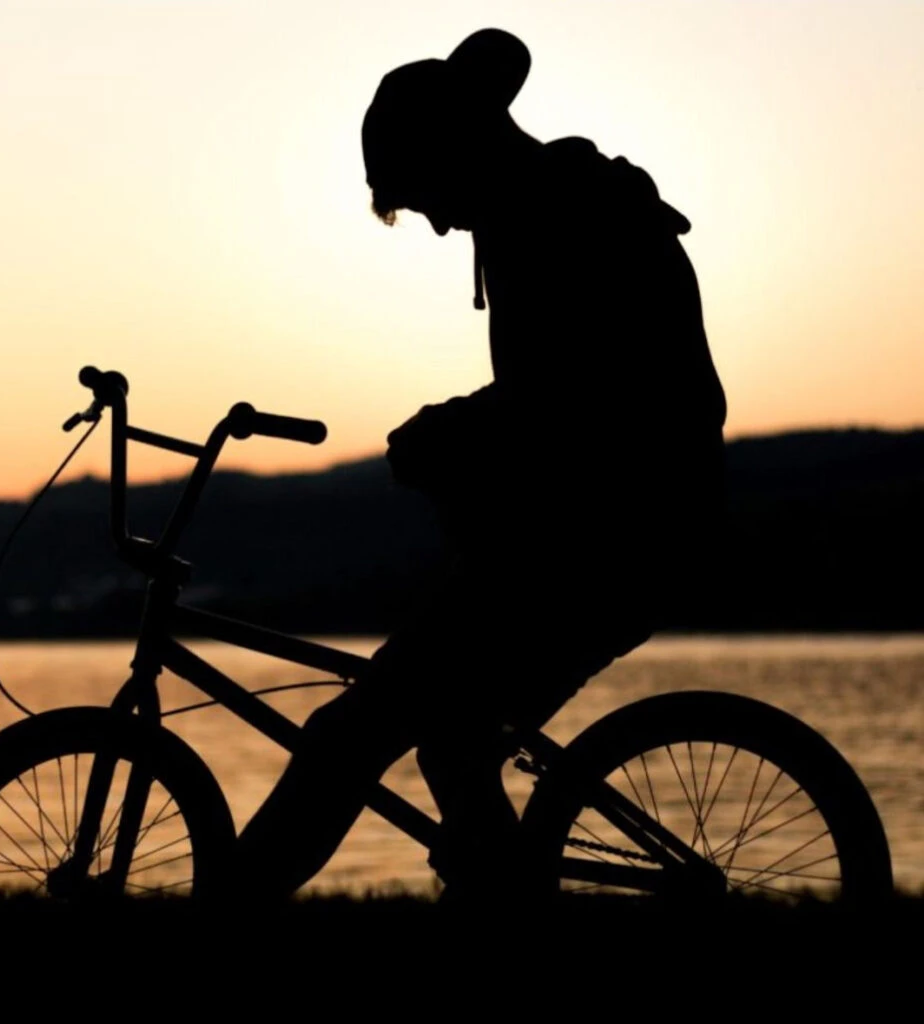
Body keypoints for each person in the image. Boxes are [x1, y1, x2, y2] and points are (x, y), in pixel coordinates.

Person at [236, 27, 727, 901]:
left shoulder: (552, 216)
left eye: (422, 190)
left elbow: (574, 390)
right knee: (452, 737)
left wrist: (447, 430)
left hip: (609, 535)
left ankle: (224, 904)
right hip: (629, 527)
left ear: (453, 148)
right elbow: (570, 396)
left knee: (353, 738)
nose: (431, 219)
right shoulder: (552, 202)